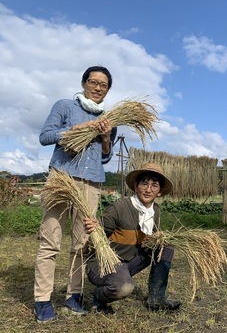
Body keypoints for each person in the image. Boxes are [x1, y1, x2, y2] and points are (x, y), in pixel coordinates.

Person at [34, 66, 117, 323]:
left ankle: (75, 295)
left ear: (107, 90)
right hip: (62, 178)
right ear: (83, 83)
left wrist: (105, 137)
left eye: (103, 85)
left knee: (82, 244)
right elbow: (45, 136)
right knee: (51, 239)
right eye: (93, 82)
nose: (98, 87)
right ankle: (42, 300)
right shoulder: (65, 106)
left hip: (91, 183)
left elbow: (106, 157)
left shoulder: (108, 118)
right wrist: (76, 131)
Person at [84, 163, 181, 314]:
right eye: (144, 183)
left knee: (165, 247)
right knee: (124, 288)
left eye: (154, 185)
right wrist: (94, 228)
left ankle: (156, 298)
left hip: (128, 261)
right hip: (104, 263)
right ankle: (98, 298)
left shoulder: (154, 211)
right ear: (135, 186)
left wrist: (157, 238)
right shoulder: (120, 208)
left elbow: (150, 238)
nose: (148, 189)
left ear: (160, 191)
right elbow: (96, 237)